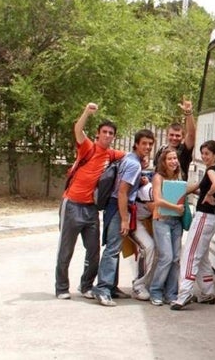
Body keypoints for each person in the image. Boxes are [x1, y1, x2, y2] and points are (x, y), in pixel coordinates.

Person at [55, 102, 125, 300]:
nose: (108, 135)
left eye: (111, 133)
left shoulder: (112, 154)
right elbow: (78, 129)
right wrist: (86, 111)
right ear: (98, 133)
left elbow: (131, 158)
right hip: (72, 204)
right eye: (105, 132)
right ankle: (61, 288)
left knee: (94, 251)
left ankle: (86, 285)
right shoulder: (87, 147)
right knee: (66, 250)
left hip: (91, 209)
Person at [92, 129, 155, 307]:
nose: (148, 147)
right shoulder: (134, 164)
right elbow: (122, 192)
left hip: (116, 207)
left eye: (150, 144)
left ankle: (111, 287)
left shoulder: (130, 159)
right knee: (112, 249)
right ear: (136, 144)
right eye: (144, 143)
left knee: (115, 247)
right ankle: (103, 289)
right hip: (118, 206)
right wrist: (125, 218)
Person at [171, 140, 215, 310]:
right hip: (209, 219)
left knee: (190, 255)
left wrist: (208, 194)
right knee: (201, 258)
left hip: (203, 217)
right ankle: (207, 293)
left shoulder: (210, 171)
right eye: (203, 153)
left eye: (207, 153)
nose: (204, 157)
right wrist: (185, 190)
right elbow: (201, 187)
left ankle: (184, 295)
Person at [149, 147, 185, 306]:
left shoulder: (179, 176)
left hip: (176, 222)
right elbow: (157, 200)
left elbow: (183, 193)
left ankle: (171, 293)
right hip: (161, 220)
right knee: (166, 257)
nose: (173, 161)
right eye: (169, 159)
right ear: (163, 162)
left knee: (176, 258)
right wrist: (176, 208)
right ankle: (155, 291)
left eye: (175, 158)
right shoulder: (158, 177)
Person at [127, 155, 156, 301]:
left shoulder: (148, 182)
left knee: (152, 250)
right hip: (132, 220)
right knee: (148, 247)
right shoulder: (148, 187)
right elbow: (156, 210)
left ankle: (148, 283)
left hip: (144, 220)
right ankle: (139, 285)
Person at [153, 97, 196, 180]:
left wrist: (188, 112)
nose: (174, 138)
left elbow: (191, 134)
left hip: (178, 189)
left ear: (183, 137)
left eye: (177, 135)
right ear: (167, 135)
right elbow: (155, 170)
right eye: (171, 135)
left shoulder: (184, 150)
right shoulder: (161, 149)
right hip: (160, 187)